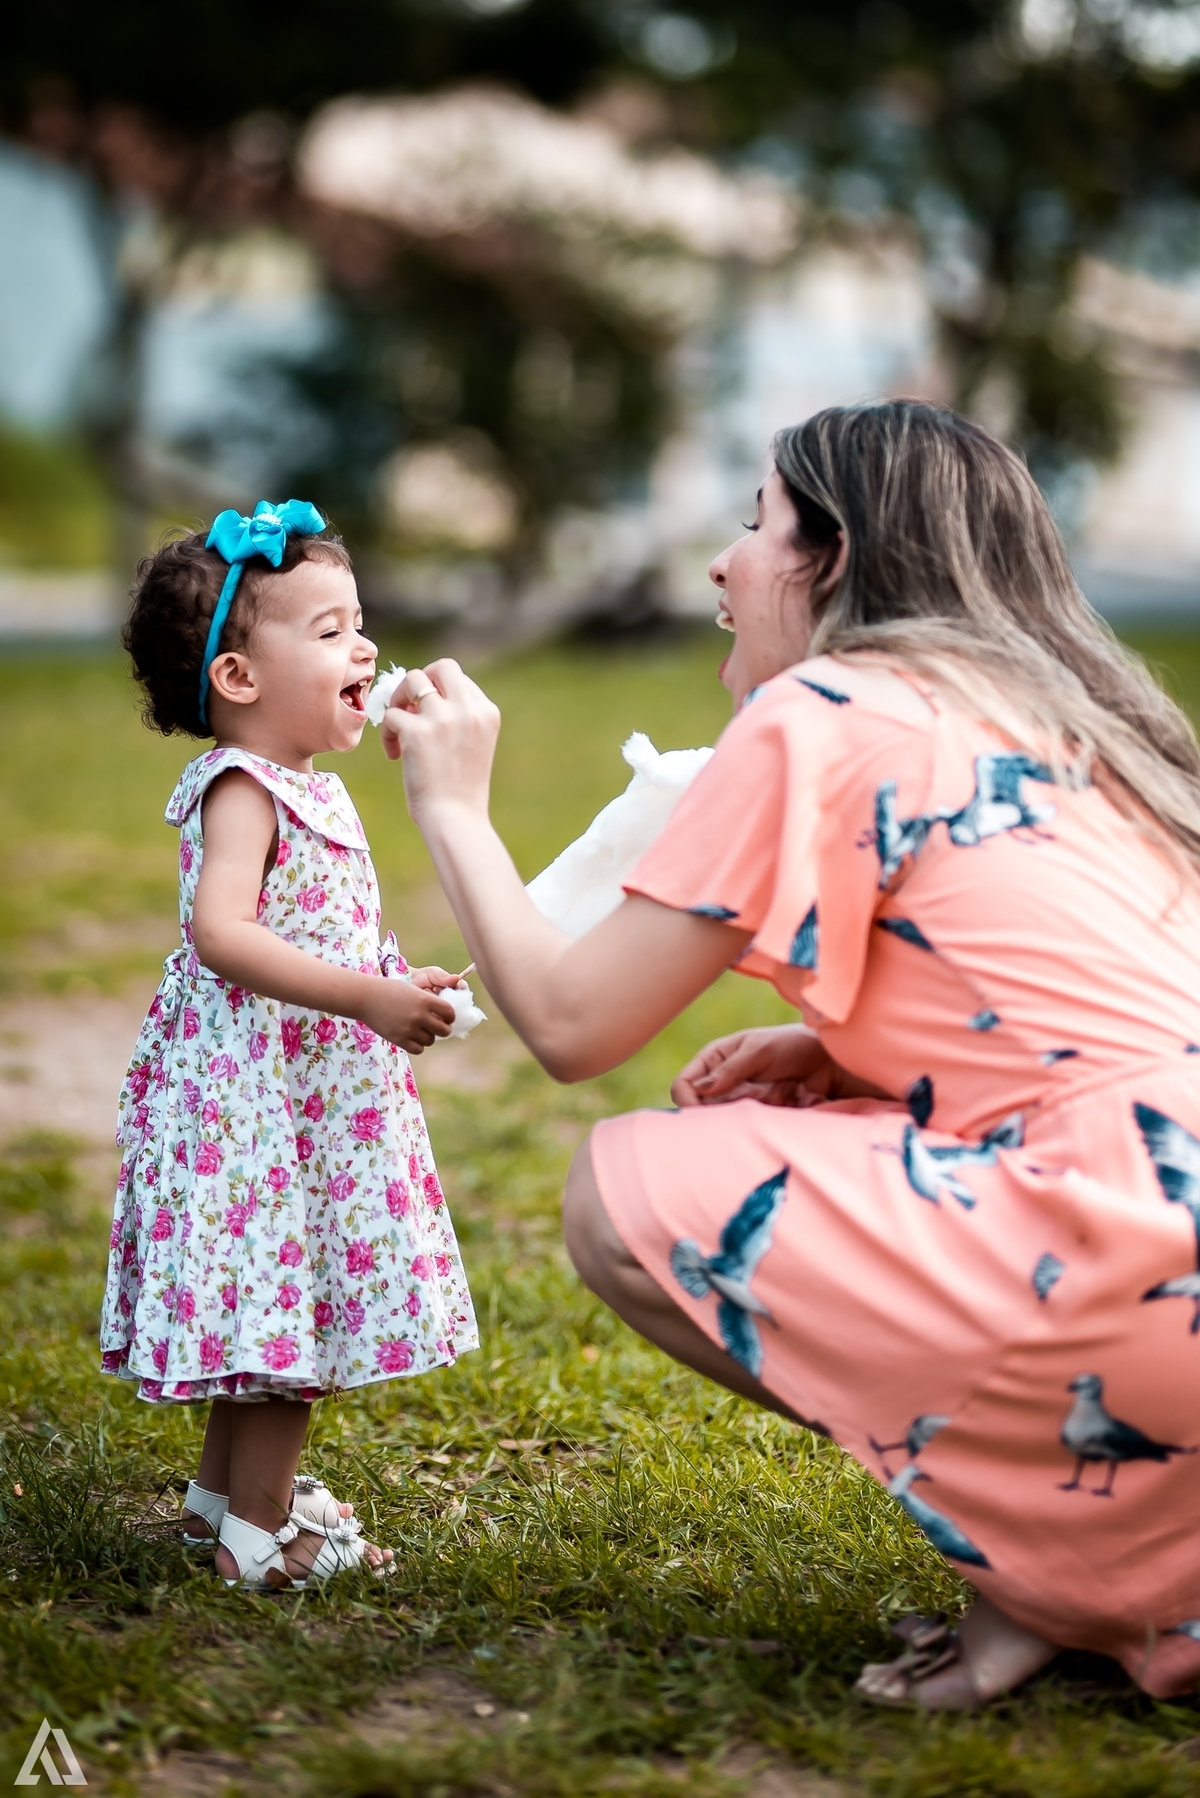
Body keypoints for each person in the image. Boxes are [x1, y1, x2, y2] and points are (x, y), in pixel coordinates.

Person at [379, 402, 1200, 1708]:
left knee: (628, 1192)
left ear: (836, 555)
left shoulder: (826, 708)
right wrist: (844, 1048)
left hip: (1138, 1269)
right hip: (1169, 1235)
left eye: (756, 523)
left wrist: (451, 802)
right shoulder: (1063, 719)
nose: (723, 562)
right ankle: (1130, 1542)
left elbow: (571, 1022)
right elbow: (1110, 1018)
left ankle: (1058, 1568)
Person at [101, 501, 478, 1589]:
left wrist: (390, 980)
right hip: (258, 1104)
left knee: (271, 1300)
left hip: (304, 1090)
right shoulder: (242, 790)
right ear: (239, 678)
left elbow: (323, 931)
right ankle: (263, 1542)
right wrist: (365, 999)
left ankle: (222, 1500)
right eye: (328, 631)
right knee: (281, 1308)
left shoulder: (310, 785)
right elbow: (220, 933)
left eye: (360, 622)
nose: (365, 647)